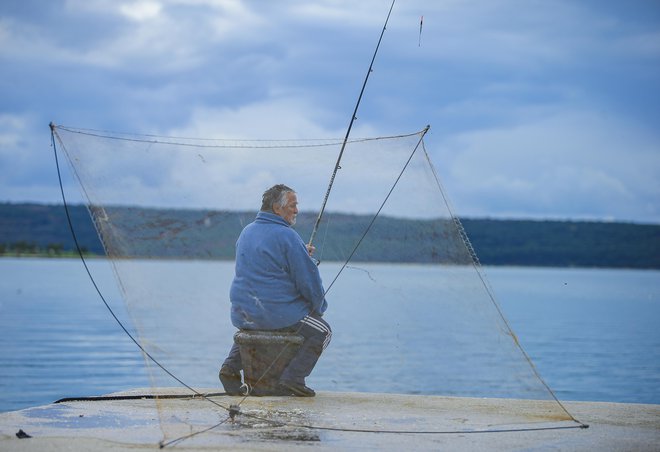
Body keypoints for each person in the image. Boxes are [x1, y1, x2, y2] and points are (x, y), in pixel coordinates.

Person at [219, 184, 331, 397]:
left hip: (244, 313)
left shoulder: (247, 232)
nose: (296, 210)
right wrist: (319, 308)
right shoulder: (287, 236)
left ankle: (230, 368)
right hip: (274, 314)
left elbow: (265, 264)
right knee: (323, 331)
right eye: (292, 205)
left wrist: (298, 251)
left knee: (254, 327)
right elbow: (309, 281)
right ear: (277, 208)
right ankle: (293, 379)